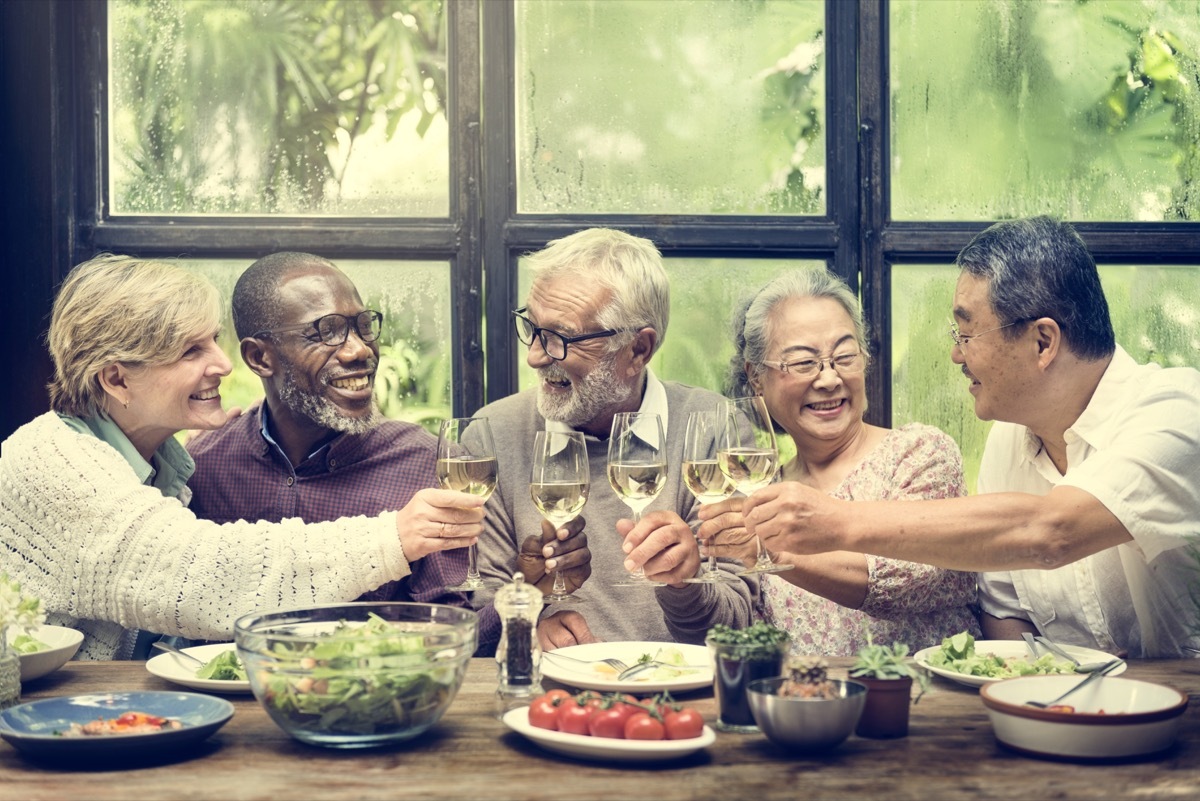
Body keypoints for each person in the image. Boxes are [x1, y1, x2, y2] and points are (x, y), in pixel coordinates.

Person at [706, 217, 1200, 657]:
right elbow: (1004, 610)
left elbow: (1052, 531)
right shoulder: (1011, 437)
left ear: (1043, 341)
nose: (955, 356)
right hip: (1060, 720)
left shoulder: (1176, 412)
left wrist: (829, 520)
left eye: (966, 336)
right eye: (801, 361)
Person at [0, 254, 482, 660]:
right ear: (117, 380)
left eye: (213, 339)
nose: (225, 364)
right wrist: (392, 536)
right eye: (191, 351)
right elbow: (203, 575)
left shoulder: (168, 462)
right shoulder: (53, 462)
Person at [469, 228, 757, 653]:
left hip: (680, 698)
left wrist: (685, 585)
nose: (534, 355)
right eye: (531, 327)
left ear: (639, 349)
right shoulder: (491, 433)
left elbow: (741, 628)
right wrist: (525, 623)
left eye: (560, 338)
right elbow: (474, 613)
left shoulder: (715, 429)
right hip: (548, 699)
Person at [702, 270, 979, 654]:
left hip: (920, 704)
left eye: (845, 357)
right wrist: (684, 575)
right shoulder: (762, 494)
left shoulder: (921, 454)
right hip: (805, 708)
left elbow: (911, 578)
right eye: (803, 363)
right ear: (756, 378)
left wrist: (771, 552)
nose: (830, 379)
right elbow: (743, 630)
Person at [185, 252, 469, 609]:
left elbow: (454, 623)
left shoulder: (427, 464)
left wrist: (530, 599)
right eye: (326, 332)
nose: (359, 349)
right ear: (259, 358)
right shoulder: (204, 467)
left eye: (363, 326)